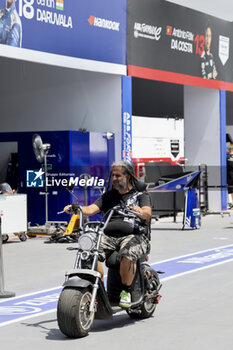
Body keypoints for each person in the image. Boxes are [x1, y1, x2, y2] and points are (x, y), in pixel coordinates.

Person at [64, 160, 152, 308]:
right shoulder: (109, 196)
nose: (115, 179)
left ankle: (127, 291)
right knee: (88, 252)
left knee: (127, 254)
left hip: (134, 236)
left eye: (118, 175)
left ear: (128, 176)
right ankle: (99, 290)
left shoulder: (140, 194)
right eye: (113, 176)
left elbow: (147, 213)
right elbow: (91, 209)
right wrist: (75, 208)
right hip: (109, 237)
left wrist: (140, 211)